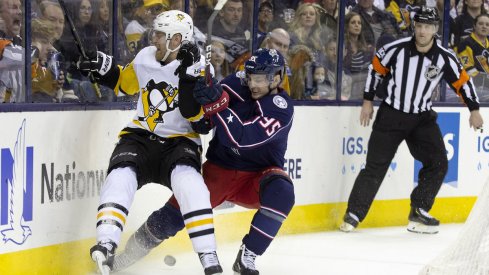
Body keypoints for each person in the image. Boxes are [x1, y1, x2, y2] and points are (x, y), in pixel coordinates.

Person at [110, 48, 295, 275]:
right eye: (250, 77)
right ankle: (129, 254)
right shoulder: (238, 82)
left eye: (260, 79)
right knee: (171, 217)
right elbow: (206, 111)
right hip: (219, 171)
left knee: (282, 192)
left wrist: (217, 106)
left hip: (258, 176)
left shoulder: (281, 107)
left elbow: (242, 138)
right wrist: (202, 116)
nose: (253, 84)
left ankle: (248, 255)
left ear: (276, 77)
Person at [77, 10, 222, 275]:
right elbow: (126, 83)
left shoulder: (202, 68)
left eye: (159, 34)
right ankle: (106, 242)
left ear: (176, 39)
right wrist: (104, 69)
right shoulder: (145, 57)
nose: (153, 37)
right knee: (119, 178)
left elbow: (196, 116)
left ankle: (208, 255)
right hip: (140, 136)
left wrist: (190, 77)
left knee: (192, 186)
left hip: (180, 141)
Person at [340, 7, 484, 234]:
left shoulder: (445, 57)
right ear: (414, 27)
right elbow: (375, 69)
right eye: (419, 26)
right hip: (391, 115)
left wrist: (474, 110)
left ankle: (418, 211)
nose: (423, 31)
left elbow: (463, 83)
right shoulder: (395, 49)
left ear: (435, 29)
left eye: (428, 27)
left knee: (438, 163)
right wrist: (367, 101)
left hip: (421, 119)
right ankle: (353, 214)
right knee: (375, 166)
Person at [456, 13, 489, 102]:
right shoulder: (465, 44)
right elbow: (469, 71)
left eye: (487, 24)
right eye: (481, 24)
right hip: (471, 88)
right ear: (474, 26)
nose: (484, 27)